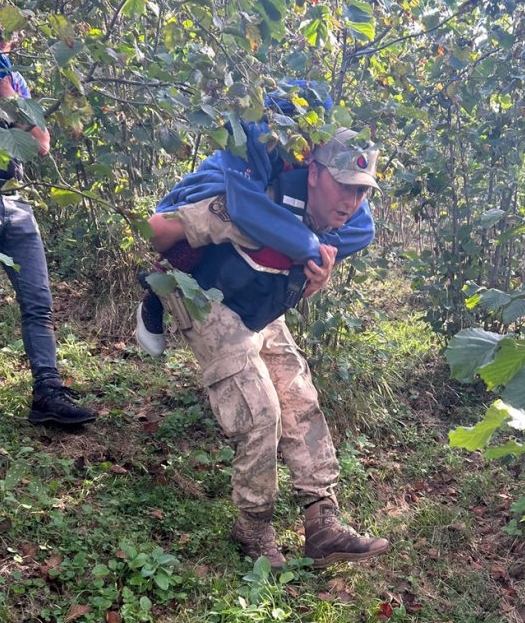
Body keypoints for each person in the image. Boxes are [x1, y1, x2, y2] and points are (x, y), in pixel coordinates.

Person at [145, 111, 389, 570]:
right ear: (314, 173)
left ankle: (323, 524)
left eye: (362, 191)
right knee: (259, 409)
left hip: (257, 303)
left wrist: (312, 270)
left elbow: (322, 250)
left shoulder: (336, 224)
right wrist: (233, 227)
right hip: (203, 294)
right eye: (345, 185)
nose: (352, 201)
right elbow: (157, 230)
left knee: (299, 397)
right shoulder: (253, 189)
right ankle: (253, 527)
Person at [0, 2, 96, 425]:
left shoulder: (13, 82)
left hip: (15, 198)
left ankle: (47, 392)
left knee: (38, 301)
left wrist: (7, 93)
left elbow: (41, 143)